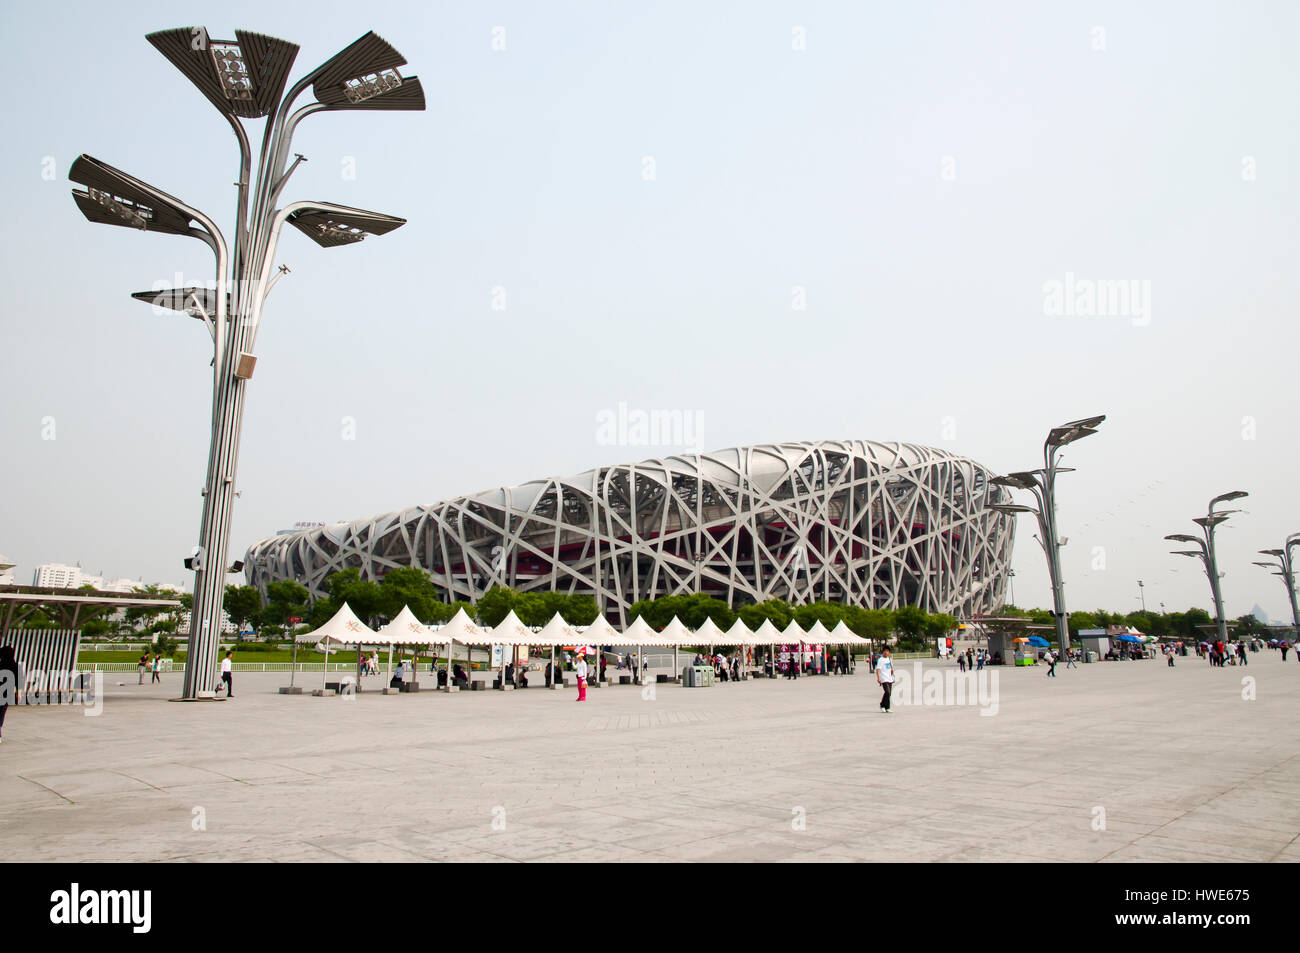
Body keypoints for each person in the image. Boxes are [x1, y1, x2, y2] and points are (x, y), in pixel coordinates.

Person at [0, 645, 21, 744]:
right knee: (1, 713)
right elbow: (19, 681)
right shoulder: (16, 666)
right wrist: (19, 694)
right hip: (7, 694)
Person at [876, 646, 894, 713]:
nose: (886, 652)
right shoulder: (881, 660)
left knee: (889, 694)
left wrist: (892, 670)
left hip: (889, 678)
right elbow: (877, 669)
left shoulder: (889, 659)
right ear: (883, 652)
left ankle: (887, 707)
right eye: (885, 651)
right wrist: (878, 678)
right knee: (887, 692)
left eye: (887, 651)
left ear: (889, 652)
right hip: (884, 679)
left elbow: (891, 668)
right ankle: (882, 705)